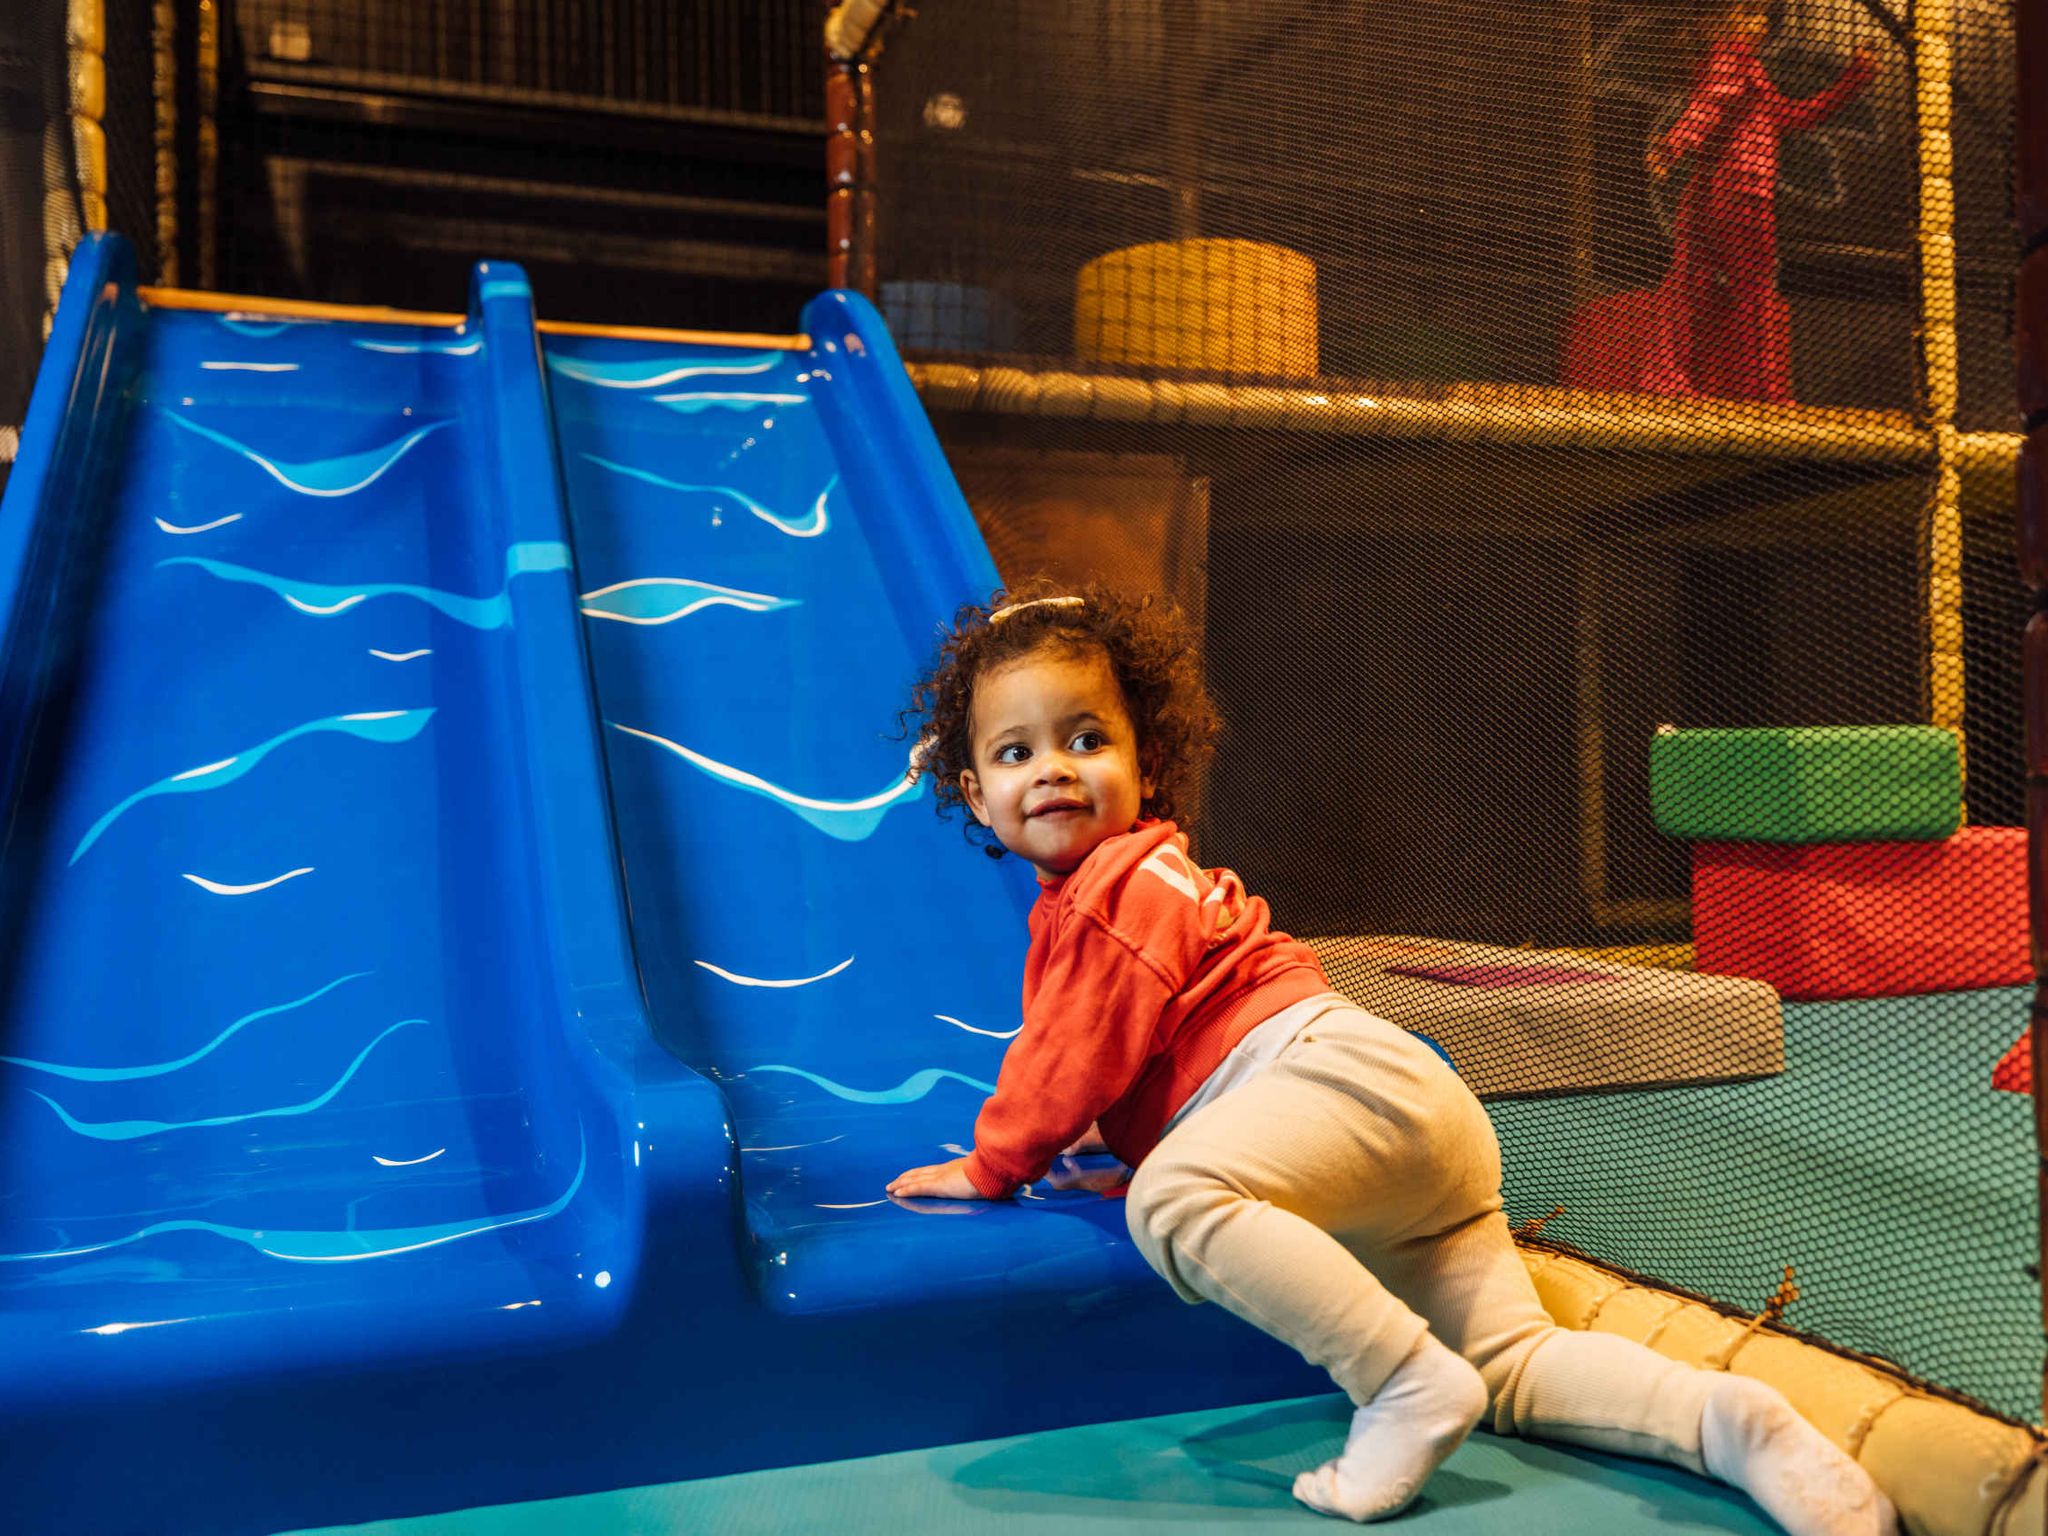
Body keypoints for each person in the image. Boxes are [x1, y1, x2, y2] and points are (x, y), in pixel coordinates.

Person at [887, 584, 1895, 1533]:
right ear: (975, 795)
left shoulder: (1119, 881)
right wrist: (1130, 1137)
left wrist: (992, 1165)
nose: (1053, 767)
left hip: (1328, 1082)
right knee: (1513, 1366)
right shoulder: (1130, 888)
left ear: (1145, 764)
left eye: (1086, 738)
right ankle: (1737, 1429)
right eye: (1017, 753)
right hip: (1399, 1118)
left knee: (1176, 1205)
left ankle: (1400, 1384)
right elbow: (1140, 1053)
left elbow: (1067, 1053)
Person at [1642, 2, 1876, 400]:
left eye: (1763, 15)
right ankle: (1761, 391)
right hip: (1740, 195)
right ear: (1723, 21)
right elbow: (1710, 105)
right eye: (1751, 14)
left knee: (1689, 288)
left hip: (1706, 195)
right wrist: (1674, 144)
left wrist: (1854, 79)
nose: (1762, 23)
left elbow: (1793, 116)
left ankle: (1670, 381)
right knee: (1753, 292)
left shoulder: (1748, 68)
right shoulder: (1732, 58)